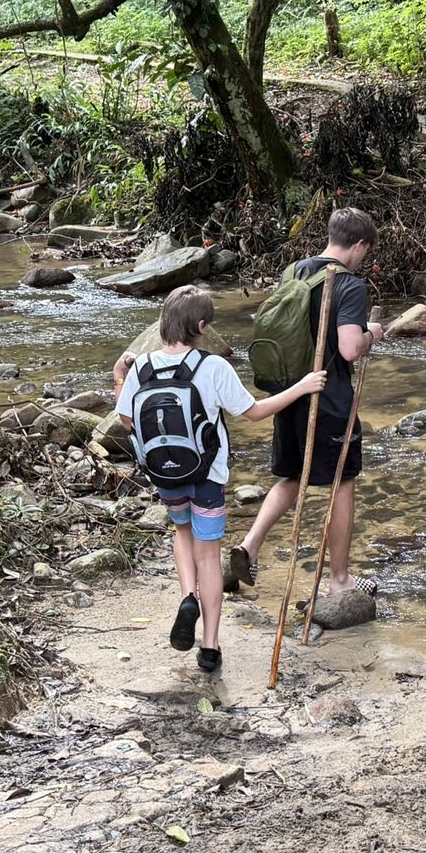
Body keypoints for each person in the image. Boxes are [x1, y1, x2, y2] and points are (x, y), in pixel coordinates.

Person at [113, 286, 327, 672]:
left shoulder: (140, 368)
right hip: (207, 476)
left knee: (182, 533)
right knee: (209, 555)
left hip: (166, 474)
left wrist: (118, 378)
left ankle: (186, 597)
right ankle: (209, 647)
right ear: (200, 326)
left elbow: (128, 423)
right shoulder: (212, 367)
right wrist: (302, 386)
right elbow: (255, 412)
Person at [231, 206, 384, 602]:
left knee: (293, 476)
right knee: (342, 482)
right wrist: (373, 334)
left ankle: (248, 546)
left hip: (291, 391)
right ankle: (339, 581)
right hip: (329, 398)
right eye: (366, 250)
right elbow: (349, 349)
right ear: (360, 245)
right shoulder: (349, 285)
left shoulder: (295, 271)